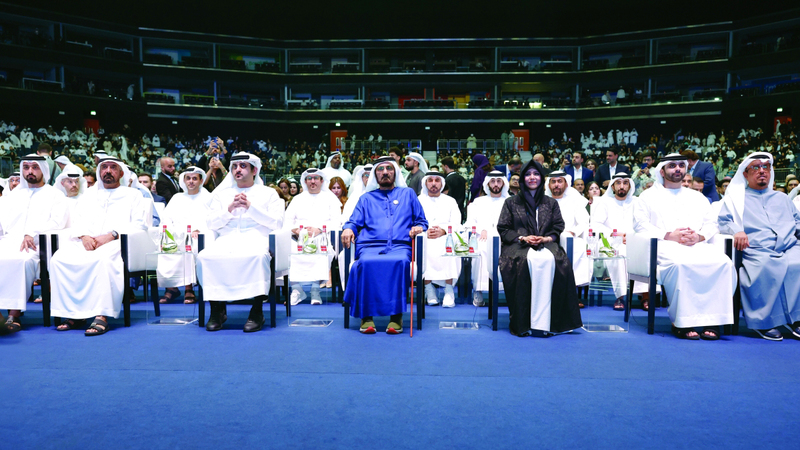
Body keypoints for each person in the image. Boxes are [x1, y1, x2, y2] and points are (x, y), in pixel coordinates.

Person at [633, 153, 736, 340]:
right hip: (665, 246)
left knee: (724, 263)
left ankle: (713, 321)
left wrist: (699, 236)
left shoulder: (697, 197)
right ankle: (682, 321)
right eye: (672, 166)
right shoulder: (647, 197)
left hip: (697, 245)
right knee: (681, 264)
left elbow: (711, 223)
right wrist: (668, 235)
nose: (678, 169)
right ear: (662, 171)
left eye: (681, 165)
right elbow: (640, 225)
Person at [50, 156, 150, 336]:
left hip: (117, 241)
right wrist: (84, 236)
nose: (108, 171)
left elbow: (139, 224)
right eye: (104, 167)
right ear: (99, 171)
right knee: (59, 259)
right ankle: (73, 314)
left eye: (113, 167)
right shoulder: (88, 194)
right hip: (86, 241)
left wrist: (111, 235)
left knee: (102, 260)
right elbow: (77, 220)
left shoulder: (133, 195)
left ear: (120, 172)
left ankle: (101, 315)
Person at [196, 152, 285, 332]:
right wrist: (230, 209)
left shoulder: (269, 194)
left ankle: (257, 311)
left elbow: (276, 223)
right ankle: (217, 310)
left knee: (258, 257)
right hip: (227, 238)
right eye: (235, 167)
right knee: (205, 256)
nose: (238, 170)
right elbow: (211, 223)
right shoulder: (221, 195)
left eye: (243, 166)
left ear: (254, 170)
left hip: (256, 238)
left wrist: (250, 207)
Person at [718, 152, 800, 341]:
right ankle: (765, 321)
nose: (762, 171)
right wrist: (737, 231)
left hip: (789, 245)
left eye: (766, 167)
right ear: (745, 174)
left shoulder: (783, 199)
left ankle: (797, 319)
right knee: (766, 266)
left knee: (797, 264)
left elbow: (797, 222)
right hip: (756, 248)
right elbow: (724, 222)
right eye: (755, 167)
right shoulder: (736, 199)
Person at [341, 156, 428, 334]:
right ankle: (366, 317)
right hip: (370, 246)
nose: (385, 173)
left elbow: (422, 221)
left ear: (395, 172)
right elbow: (353, 222)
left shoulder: (408, 194)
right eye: (381, 170)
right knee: (365, 264)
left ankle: (395, 317)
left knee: (401, 262)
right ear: (375, 175)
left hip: (400, 246)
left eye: (389, 169)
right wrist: (348, 229)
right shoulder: (365, 199)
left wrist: (418, 228)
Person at [497, 160, 582, 337]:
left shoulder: (550, 203)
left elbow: (558, 226)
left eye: (536, 174)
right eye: (528, 174)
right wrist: (522, 237)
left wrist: (546, 238)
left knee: (554, 260)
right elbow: (504, 228)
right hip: (517, 246)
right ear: (522, 178)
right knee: (526, 261)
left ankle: (549, 322)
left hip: (547, 243)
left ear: (541, 178)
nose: (532, 178)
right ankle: (525, 322)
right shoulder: (511, 203)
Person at [0, 155, 68, 333]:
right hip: (9, 241)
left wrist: (33, 234)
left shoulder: (55, 195)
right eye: (26, 167)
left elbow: (57, 222)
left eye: (35, 167)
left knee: (21, 261)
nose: (30, 172)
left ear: (43, 170)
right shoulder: (14, 194)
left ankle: (13, 314)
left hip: (38, 245)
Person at [590, 172, 652, 310]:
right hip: (609, 240)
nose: (622, 186)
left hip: (634, 239)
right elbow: (595, 225)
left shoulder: (637, 202)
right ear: (612, 187)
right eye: (618, 183)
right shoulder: (605, 202)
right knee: (619, 253)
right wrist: (615, 233)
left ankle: (646, 296)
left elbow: (644, 223)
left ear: (630, 185)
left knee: (646, 252)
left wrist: (631, 236)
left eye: (625, 183)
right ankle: (621, 296)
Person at [284, 168, 341, 305]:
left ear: (322, 181)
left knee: (324, 250)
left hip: (322, 236)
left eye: (316, 178)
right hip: (297, 238)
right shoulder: (297, 199)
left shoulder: (330, 198)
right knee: (287, 252)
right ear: (305, 182)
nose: (313, 181)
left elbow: (336, 221)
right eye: (309, 178)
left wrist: (319, 229)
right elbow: (287, 221)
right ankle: (297, 290)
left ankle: (315, 290)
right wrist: (296, 230)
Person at [158, 166, 214, 304]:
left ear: (201, 181)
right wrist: (171, 232)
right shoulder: (177, 198)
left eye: (195, 178)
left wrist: (199, 230)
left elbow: (213, 219)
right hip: (178, 234)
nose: (191, 182)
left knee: (190, 245)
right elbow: (166, 219)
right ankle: (171, 288)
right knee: (167, 246)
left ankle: (189, 288)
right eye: (188, 178)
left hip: (200, 235)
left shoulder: (208, 197)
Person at [418, 172, 462, 307]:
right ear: (425, 183)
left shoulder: (450, 201)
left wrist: (443, 231)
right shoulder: (418, 200)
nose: (433, 183)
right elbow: (411, 221)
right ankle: (429, 288)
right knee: (423, 244)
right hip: (425, 235)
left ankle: (449, 290)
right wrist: (425, 231)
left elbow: (457, 222)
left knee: (448, 244)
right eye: (430, 180)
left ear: (442, 184)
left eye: (437, 180)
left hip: (445, 235)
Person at [465, 170, 508, 307]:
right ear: (487, 184)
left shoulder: (510, 202)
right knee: (481, 250)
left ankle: (508, 291)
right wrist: (480, 230)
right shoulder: (478, 202)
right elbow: (470, 222)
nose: (496, 184)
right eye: (493, 181)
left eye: (499, 181)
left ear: (503, 183)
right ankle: (479, 291)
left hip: (505, 238)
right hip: (482, 237)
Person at [545, 171, 591, 289]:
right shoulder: (541, 200)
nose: (556, 185)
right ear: (548, 185)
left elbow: (584, 222)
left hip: (570, 236)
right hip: (546, 238)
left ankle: (572, 290)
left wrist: (573, 232)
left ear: (566, 184)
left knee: (579, 246)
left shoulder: (574, 200)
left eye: (560, 181)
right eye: (553, 182)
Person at [441, 156, 467, 221]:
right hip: (460, 209)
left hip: (450, 212)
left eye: (442, 166)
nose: (442, 168)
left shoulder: (447, 180)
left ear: (446, 166)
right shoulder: (461, 178)